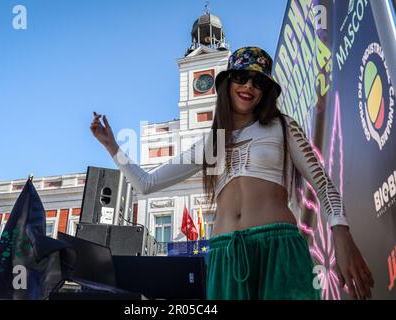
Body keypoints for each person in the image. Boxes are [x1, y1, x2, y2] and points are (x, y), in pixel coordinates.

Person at [90, 46, 374, 300]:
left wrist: (341, 233)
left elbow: (323, 185)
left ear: (265, 91)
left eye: (259, 81)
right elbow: (147, 183)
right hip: (225, 255)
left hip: (278, 248)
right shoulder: (212, 143)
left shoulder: (283, 126)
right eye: (241, 77)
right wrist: (113, 146)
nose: (249, 85)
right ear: (227, 83)